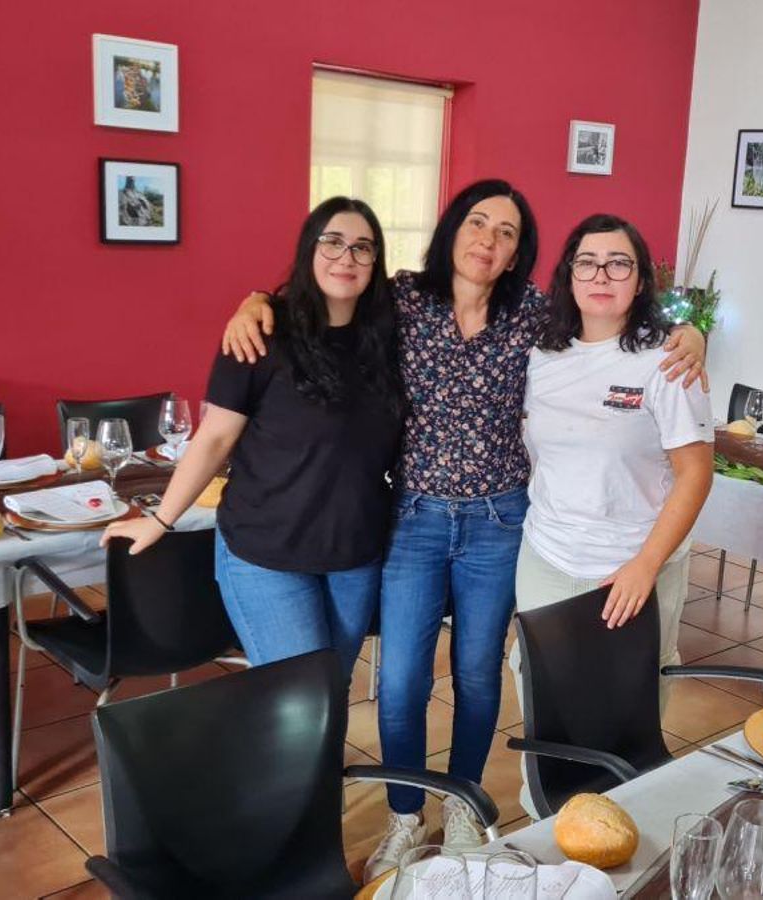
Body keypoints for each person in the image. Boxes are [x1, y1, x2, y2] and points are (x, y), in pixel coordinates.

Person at [220, 181, 708, 877]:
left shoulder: (535, 316)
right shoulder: (402, 299)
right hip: (413, 518)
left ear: (518, 253)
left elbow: (622, 329)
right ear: (453, 229)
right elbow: (327, 293)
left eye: (507, 233)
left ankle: (462, 807)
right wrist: (256, 300)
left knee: (477, 676)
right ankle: (405, 815)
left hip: (500, 521)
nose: (488, 240)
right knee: (401, 681)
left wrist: (691, 334)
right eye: (478, 223)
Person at [103, 196, 403, 678]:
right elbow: (215, 439)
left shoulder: (389, 340)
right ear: (308, 250)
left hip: (354, 553)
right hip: (267, 553)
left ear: (376, 261)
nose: (346, 257)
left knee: (332, 690)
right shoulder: (261, 335)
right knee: (298, 693)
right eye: (332, 242)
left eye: (362, 247)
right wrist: (161, 519)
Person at [511, 214, 715, 777]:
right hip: (548, 557)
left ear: (641, 279)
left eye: (619, 263)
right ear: (569, 275)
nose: (602, 275)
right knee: (546, 701)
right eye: (588, 262)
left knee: (628, 709)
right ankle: (546, 814)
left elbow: (696, 474)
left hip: (635, 565)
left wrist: (645, 566)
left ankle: (623, 815)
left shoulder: (667, 362)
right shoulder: (540, 354)